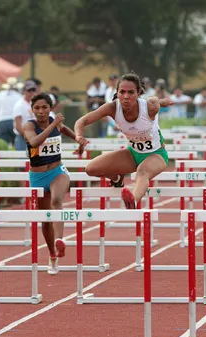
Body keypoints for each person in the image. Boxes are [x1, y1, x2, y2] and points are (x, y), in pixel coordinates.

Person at [74, 72, 172, 210]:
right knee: (91, 169)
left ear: (138, 93)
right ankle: (117, 179)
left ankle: (133, 200)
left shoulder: (150, 106)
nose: (126, 97)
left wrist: (162, 102)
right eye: (122, 92)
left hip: (156, 154)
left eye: (131, 92)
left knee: (142, 171)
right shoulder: (112, 108)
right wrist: (78, 136)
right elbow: (82, 121)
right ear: (117, 93)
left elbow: (155, 102)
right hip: (132, 153)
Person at [23, 93, 87, 275]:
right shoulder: (29, 125)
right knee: (45, 220)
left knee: (57, 201)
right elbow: (34, 142)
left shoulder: (56, 123)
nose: (41, 111)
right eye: (37, 108)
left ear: (50, 108)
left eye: (44, 107)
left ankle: (60, 241)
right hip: (37, 176)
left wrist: (78, 141)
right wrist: (53, 124)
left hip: (57, 171)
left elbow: (65, 130)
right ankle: (52, 254)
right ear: (32, 109)